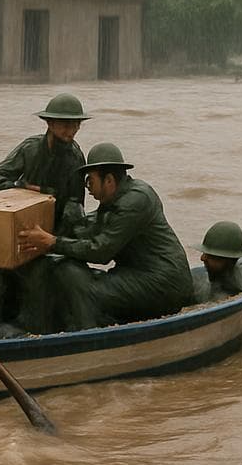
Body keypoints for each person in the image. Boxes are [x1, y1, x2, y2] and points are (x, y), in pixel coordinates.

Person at [18, 142, 193, 331]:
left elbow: (100, 251)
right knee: (65, 269)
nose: (88, 188)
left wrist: (51, 242)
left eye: (90, 181)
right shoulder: (113, 200)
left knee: (73, 275)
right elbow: (84, 230)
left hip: (163, 283)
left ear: (108, 180)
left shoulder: (135, 200)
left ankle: (87, 332)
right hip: (136, 274)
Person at [0, 93, 90, 338]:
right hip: (19, 232)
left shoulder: (76, 156)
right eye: (65, 124)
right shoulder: (30, 149)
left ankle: (37, 333)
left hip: (52, 235)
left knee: (42, 275)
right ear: (50, 124)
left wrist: (59, 242)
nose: (71, 130)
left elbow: (76, 204)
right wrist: (24, 189)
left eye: (75, 124)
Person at [190, 220, 242, 304]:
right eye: (204, 253)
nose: (202, 258)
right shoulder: (195, 289)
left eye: (210, 256)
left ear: (229, 261)